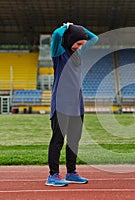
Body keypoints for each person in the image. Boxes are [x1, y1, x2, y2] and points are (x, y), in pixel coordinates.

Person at [45, 22, 98, 187]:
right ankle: (53, 175)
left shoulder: (78, 55)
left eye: (82, 44)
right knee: (57, 140)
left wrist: (80, 27)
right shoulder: (59, 54)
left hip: (77, 105)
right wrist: (66, 28)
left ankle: (71, 172)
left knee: (74, 140)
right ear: (70, 40)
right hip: (61, 104)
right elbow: (56, 36)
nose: (81, 47)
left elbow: (94, 38)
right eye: (78, 43)